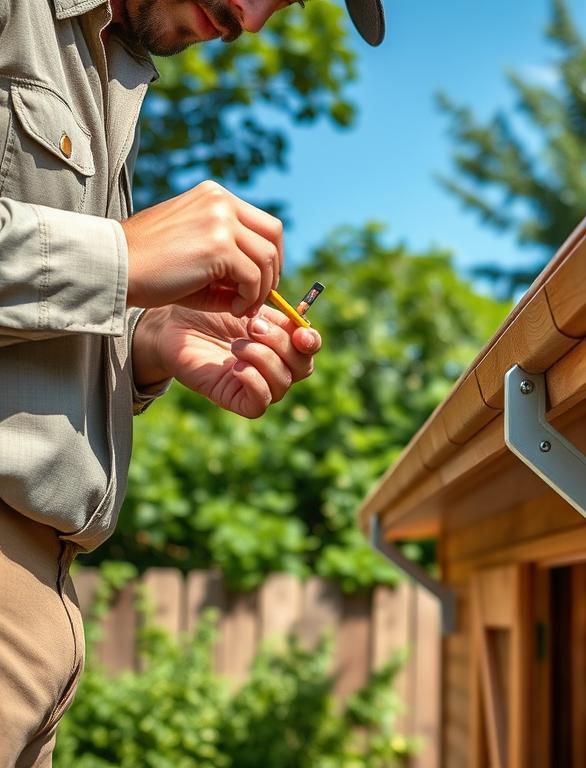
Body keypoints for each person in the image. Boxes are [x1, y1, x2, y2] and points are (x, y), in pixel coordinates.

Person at [0, 0, 385, 764]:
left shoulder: (114, 65)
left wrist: (148, 340)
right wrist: (118, 259)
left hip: (49, 609)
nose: (254, 19)